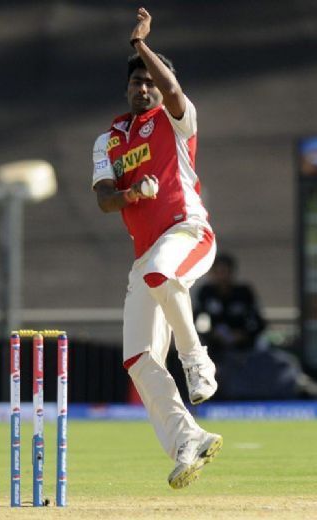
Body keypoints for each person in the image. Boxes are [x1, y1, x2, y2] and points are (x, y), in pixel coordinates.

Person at [91, 8, 222, 489]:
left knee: (162, 273)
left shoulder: (176, 119)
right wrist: (130, 194)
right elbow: (104, 198)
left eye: (150, 81)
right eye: (136, 82)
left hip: (189, 231)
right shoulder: (108, 139)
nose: (143, 88)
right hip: (145, 254)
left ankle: (196, 361)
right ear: (127, 88)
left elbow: (172, 89)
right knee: (138, 357)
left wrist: (140, 45)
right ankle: (188, 439)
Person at [195, 253, 317, 399]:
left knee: (283, 362)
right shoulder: (205, 293)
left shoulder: (243, 292)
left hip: (247, 351)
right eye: (218, 272)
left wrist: (243, 335)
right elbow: (197, 322)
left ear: (232, 272)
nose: (222, 276)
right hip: (215, 352)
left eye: (225, 271)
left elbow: (258, 323)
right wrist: (213, 335)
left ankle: (301, 385)